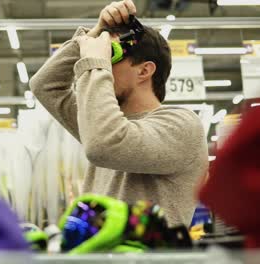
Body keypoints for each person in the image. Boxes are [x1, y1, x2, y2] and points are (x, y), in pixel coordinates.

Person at [30, 0, 208, 227]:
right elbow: (45, 86)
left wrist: (94, 62)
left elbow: (103, 145)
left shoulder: (181, 125)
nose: (101, 62)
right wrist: (95, 35)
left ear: (145, 70)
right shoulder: (102, 122)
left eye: (110, 55)